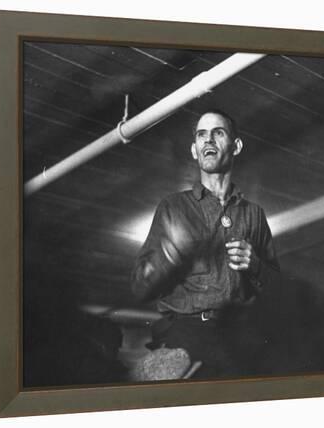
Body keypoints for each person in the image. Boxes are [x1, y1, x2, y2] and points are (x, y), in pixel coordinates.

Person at [131, 109, 281, 379]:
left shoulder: (254, 214)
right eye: (201, 135)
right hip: (186, 337)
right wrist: (171, 253)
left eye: (218, 133)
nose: (208, 141)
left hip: (238, 340)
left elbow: (280, 292)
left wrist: (256, 265)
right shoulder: (173, 206)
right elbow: (139, 287)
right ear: (193, 149)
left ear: (236, 146)